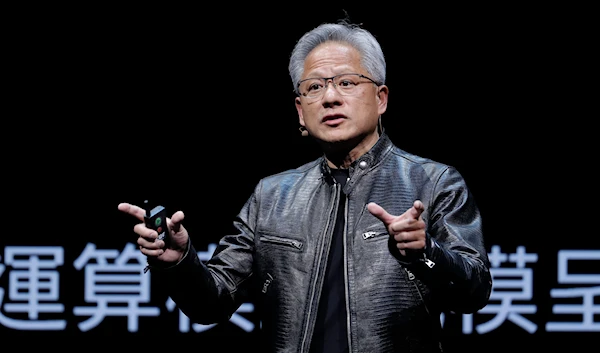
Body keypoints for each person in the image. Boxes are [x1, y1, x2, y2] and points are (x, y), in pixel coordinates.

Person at [118, 18, 492, 353]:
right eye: (314, 87)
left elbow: (475, 292)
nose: (330, 97)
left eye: (346, 82)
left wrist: (425, 252)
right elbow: (211, 303)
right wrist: (179, 262)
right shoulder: (272, 196)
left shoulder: (433, 181)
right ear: (300, 110)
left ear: (381, 99)